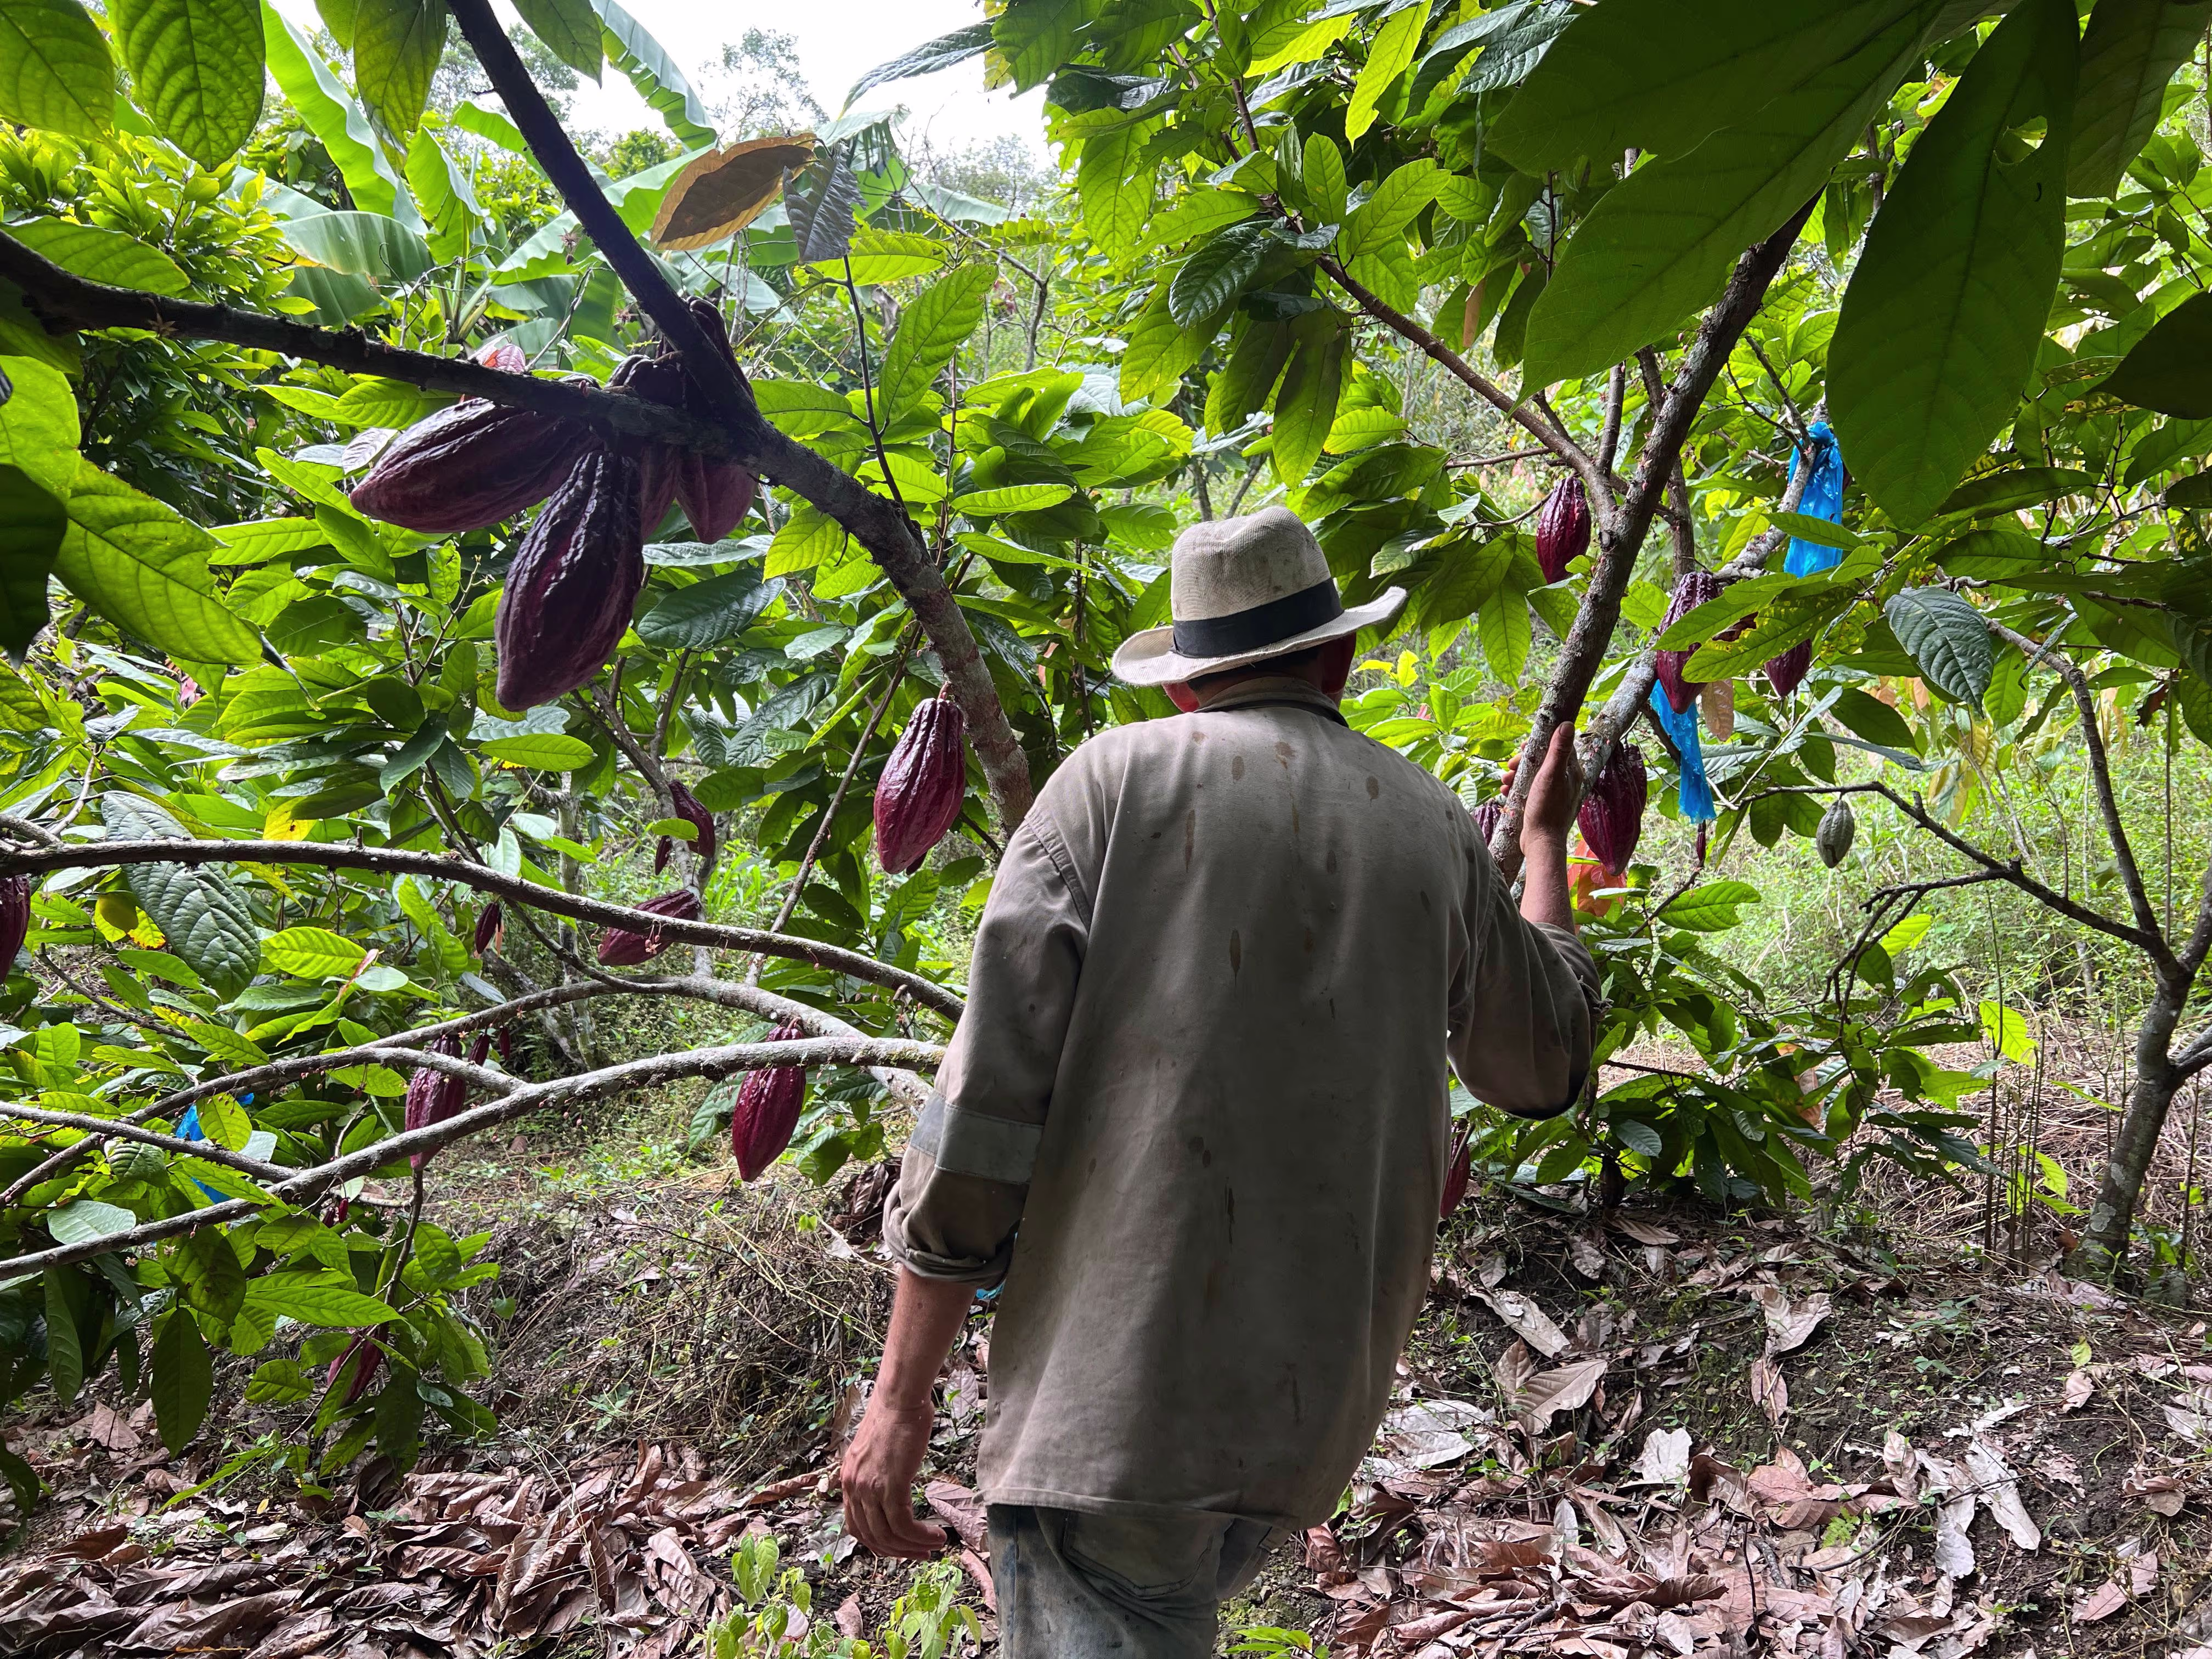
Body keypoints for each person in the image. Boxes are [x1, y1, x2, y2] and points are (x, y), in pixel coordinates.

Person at [841, 506, 1600, 1655]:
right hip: (1302, 1422)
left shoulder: (1109, 785)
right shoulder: (1433, 826)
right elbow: (1543, 1062)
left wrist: (900, 1401)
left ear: (1184, 686)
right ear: (1340, 656)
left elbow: (983, 1119)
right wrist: (1544, 844)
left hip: (1114, 1416)